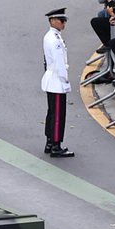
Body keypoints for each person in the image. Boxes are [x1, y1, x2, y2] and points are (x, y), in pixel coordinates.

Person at [41, 8, 74, 158]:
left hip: (52, 79)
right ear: (53, 21)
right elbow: (60, 63)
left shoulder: (51, 36)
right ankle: (56, 145)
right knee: (58, 115)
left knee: (52, 112)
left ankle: (49, 142)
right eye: (62, 20)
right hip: (57, 80)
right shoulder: (54, 39)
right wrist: (65, 80)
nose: (64, 23)